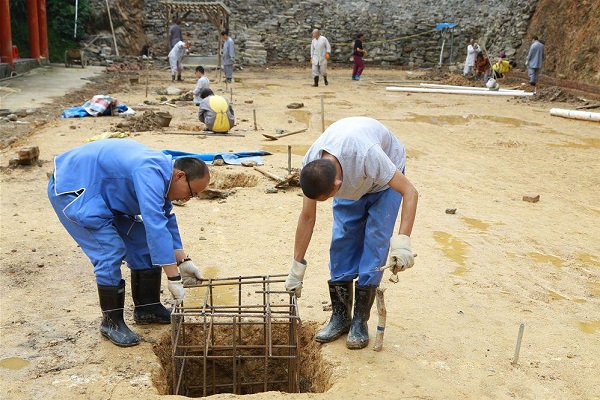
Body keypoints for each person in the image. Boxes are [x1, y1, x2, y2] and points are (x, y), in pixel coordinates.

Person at [47, 139, 210, 347]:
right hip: (76, 190)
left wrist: (184, 261)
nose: (189, 199)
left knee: (141, 243)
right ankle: (111, 323)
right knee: (109, 251)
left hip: (105, 193)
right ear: (180, 175)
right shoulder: (149, 172)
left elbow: (165, 217)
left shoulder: (164, 174)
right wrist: (173, 278)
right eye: (192, 192)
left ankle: (147, 308)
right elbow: (155, 224)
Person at [285, 117, 418, 350]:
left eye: (328, 198)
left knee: (376, 240)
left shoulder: (368, 155)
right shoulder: (312, 165)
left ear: (337, 184)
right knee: (342, 241)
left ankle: (359, 321)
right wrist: (297, 268)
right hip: (355, 178)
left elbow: (410, 191)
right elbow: (307, 216)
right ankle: (340, 317)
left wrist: (403, 242)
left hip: (383, 183)